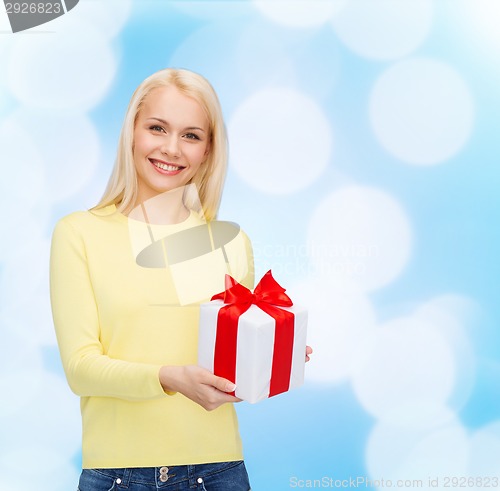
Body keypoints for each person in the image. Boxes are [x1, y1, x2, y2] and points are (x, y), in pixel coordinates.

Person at [50, 68, 312, 491]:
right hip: (117, 477)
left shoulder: (230, 243)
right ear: (132, 132)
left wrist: (271, 355)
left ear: (208, 150)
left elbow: (229, 367)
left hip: (219, 471)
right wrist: (169, 378)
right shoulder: (79, 233)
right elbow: (81, 368)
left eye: (191, 135)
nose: (171, 149)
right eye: (157, 128)